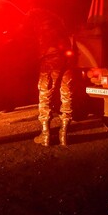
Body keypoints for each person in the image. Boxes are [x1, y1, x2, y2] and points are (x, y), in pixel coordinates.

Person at [24, 8, 74, 146]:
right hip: (67, 57)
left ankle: (45, 135)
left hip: (50, 59)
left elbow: (25, 36)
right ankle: (64, 135)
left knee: (45, 94)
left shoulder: (34, 19)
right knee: (67, 94)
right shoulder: (57, 19)